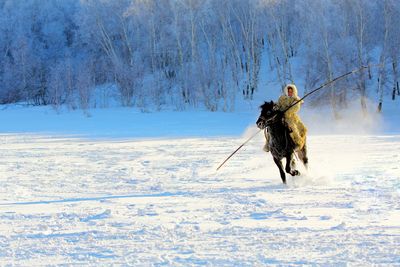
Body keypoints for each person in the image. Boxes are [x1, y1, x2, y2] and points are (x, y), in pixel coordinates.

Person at [263, 84, 307, 152]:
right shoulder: (282, 98)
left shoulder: (296, 100)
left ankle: (297, 143)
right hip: (280, 116)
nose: (290, 93)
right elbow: (278, 105)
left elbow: (295, 108)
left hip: (290, 117)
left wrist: (285, 113)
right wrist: (275, 107)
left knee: (292, 127)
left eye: (291, 91)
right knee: (271, 126)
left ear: (294, 91)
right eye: (288, 91)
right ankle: (268, 143)